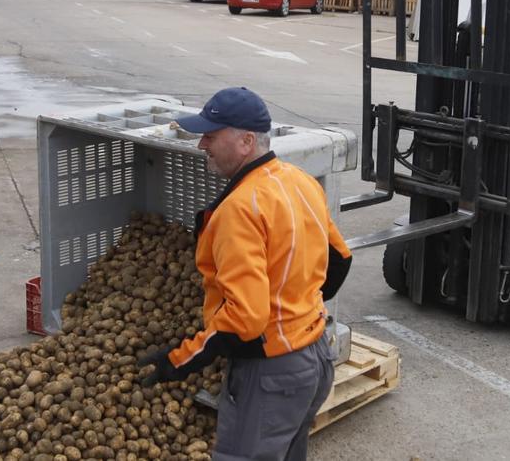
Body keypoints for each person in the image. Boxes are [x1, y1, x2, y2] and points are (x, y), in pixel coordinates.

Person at [139, 87, 353, 461]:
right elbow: (339, 259)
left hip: (272, 373)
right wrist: (298, 309)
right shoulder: (300, 181)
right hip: (315, 359)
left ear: (246, 142)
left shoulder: (239, 209)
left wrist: (180, 360)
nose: (202, 144)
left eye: (211, 135)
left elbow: (246, 319)